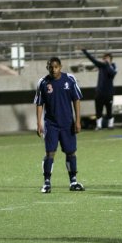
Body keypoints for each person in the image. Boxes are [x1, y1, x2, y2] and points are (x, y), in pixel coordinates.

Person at [35, 56, 85, 193]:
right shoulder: (43, 82)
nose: (53, 69)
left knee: (71, 152)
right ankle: (46, 182)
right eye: (51, 67)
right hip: (51, 124)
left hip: (67, 123)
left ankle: (73, 181)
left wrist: (78, 120)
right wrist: (38, 123)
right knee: (50, 153)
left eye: (56, 67)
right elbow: (39, 103)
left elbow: (76, 99)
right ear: (47, 67)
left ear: (60, 67)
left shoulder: (69, 79)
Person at [82, 48, 117, 129]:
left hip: (109, 92)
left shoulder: (113, 66)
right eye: (104, 58)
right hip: (100, 92)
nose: (105, 60)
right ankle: (99, 125)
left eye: (107, 58)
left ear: (111, 59)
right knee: (98, 109)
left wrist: (108, 64)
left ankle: (110, 125)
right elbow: (93, 60)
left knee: (109, 109)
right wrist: (85, 52)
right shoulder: (101, 66)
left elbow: (112, 73)